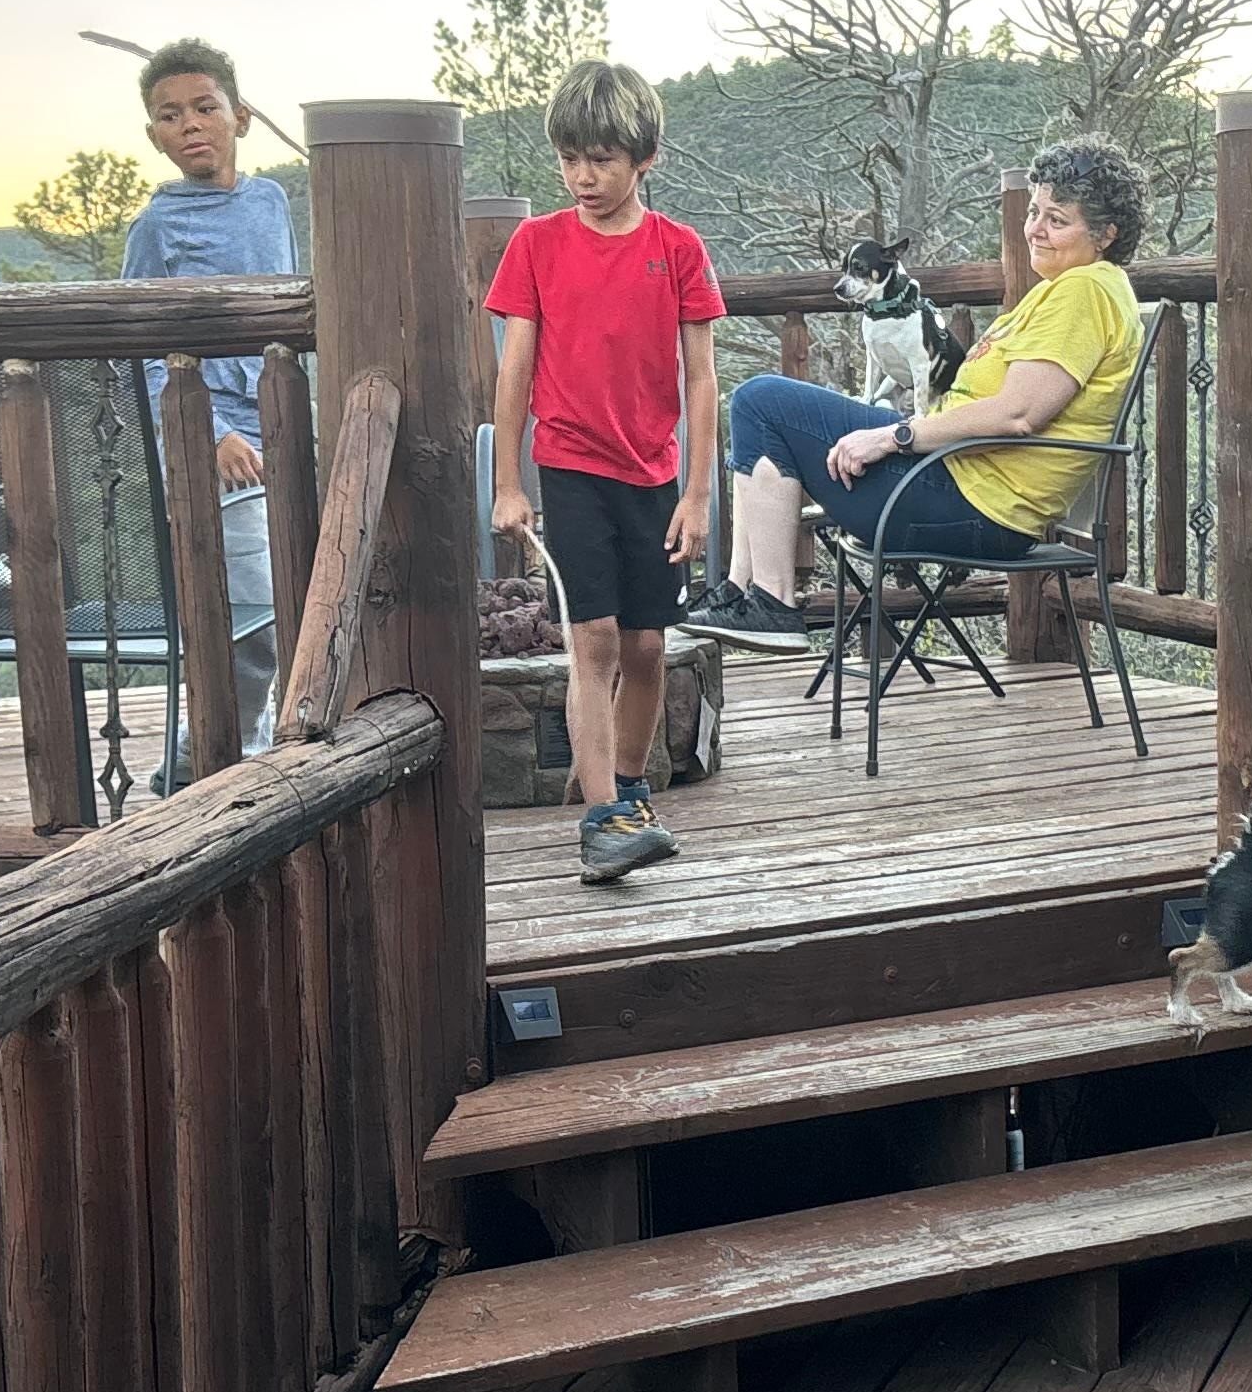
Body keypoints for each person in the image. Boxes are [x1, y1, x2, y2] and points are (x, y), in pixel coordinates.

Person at [708, 136, 1150, 646]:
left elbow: (1018, 414)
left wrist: (893, 436)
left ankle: (770, 605)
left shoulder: (1085, 291)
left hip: (971, 504)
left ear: (1106, 233)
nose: (1035, 229)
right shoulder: (1068, 288)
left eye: (1057, 219)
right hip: (954, 480)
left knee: (761, 403)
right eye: (1034, 212)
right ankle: (743, 596)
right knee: (763, 406)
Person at [485, 61, 722, 882]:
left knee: (647, 646)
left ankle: (627, 790)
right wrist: (508, 482)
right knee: (592, 641)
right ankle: (601, 820)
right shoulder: (537, 244)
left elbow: (702, 379)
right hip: (570, 465)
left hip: (653, 474)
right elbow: (515, 368)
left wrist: (697, 495)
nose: (583, 177)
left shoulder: (677, 249)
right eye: (570, 159)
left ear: (645, 158)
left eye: (602, 160)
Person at [122, 37, 293, 783]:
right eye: (170, 116)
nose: (189, 124)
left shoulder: (270, 202)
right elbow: (136, 351)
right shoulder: (157, 228)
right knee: (255, 621)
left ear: (240, 116)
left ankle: (199, 763)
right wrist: (212, 434)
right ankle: (224, 762)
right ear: (154, 135)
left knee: (300, 604)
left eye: (204, 107)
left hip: (281, 433)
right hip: (213, 444)